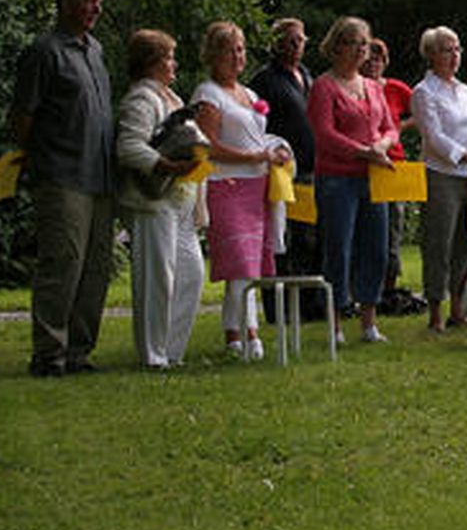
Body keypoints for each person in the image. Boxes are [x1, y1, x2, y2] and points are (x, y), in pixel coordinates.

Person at [10, 0, 117, 377]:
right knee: (63, 262)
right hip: (61, 175)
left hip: (100, 176)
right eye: (90, 1)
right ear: (67, 4)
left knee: (95, 266)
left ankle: (78, 351)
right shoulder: (44, 52)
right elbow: (22, 117)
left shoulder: (95, 51)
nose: (97, 8)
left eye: (99, 2)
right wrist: (37, 159)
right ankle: (49, 354)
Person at [193, 21, 290, 360]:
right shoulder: (208, 95)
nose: (236, 57)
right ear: (213, 55)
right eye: (229, 50)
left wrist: (275, 151)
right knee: (239, 262)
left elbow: (258, 137)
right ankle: (242, 334)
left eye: (240, 49)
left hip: (257, 185)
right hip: (226, 184)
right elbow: (208, 146)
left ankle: (242, 333)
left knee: (254, 263)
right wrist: (254, 155)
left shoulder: (249, 94)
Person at [115, 29, 205, 370]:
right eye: (167, 57)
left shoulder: (173, 98)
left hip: (180, 200)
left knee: (192, 273)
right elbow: (130, 147)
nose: (173, 63)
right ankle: (153, 354)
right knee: (157, 278)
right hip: (151, 200)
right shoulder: (142, 99)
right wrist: (166, 164)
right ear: (150, 63)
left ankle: (172, 351)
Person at [309, 16, 398, 345]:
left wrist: (382, 146)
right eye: (354, 42)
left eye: (365, 43)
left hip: (373, 177)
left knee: (375, 248)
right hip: (337, 179)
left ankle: (369, 322)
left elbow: (391, 126)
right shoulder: (324, 86)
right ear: (336, 47)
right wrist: (363, 151)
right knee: (339, 249)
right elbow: (324, 134)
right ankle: (334, 323)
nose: (361, 49)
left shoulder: (374, 87)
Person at [411, 26, 467, 333]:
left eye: (457, 48)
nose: (454, 55)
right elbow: (434, 138)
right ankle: (435, 309)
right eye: (447, 49)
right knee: (438, 244)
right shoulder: (424, 92)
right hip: (441, 175)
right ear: (431, 54)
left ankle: (459, 307)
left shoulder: (465, 90)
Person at [250, 19, 319, 286]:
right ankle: (281, 301)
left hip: (311, 169)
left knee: (308, 238)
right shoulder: (265, 80)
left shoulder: (307, 75)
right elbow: (256, 125)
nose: (296, 46)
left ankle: (307, 299)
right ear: (276, 43)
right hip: (283, 171)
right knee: (285, 238)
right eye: (290, 40)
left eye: (300, 40)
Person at [361, 36, 413, 293]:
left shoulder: (395, 88)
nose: (373, 64)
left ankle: (389, 286)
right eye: (369, 59)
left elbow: (422, 110)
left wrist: (399, 127)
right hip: (365, 162)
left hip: (395, 162)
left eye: (378, 59)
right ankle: (363, 285)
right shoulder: (354, 88)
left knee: (394, 226)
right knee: (368, 228)